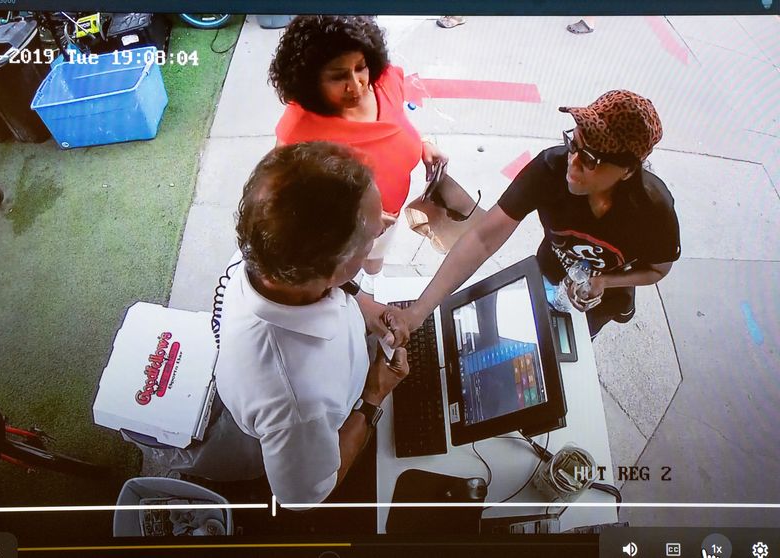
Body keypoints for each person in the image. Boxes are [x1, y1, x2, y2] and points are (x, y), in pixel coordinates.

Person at [211, 142, 410, 505]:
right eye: (370, 238)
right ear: (330, 270)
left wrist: (362, 303)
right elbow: (304, 497)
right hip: (323, 430)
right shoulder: (296, 403)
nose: (383, 226)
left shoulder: (270, 246)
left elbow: (322, 282)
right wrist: (373, 396)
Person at [395, 90, 681, 340]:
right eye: (573, 144)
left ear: (628, 171)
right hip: (547, 272)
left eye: (590, 159)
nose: (573, 162)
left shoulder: (653, 210)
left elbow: (658, 270)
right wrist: (418, 312)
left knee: (573, 351)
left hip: (602, 302)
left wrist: (605, 282)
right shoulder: (550, 168)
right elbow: (483, 237)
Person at [269, 15, 448, 291]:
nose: (357, 85)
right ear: (311, 79)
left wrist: (421, 143)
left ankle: (373, 282)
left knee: (376, 261)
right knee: (343, 281)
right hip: (341, 235)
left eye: (360, 67)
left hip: (387, 219)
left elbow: (397, 118)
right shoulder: (299, 127)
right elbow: (282, 195)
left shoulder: (385, 80)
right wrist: (355, 223)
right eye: (339, 76)